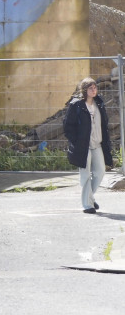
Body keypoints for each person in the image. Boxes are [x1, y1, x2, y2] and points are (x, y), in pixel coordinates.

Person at [63, 77, 113, 214]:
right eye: (91, 88)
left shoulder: (99, 103)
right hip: (83, 146)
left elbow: (104, 124)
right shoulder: (76, 105)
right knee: (85, 175)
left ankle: (89, 197)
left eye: (95, 87)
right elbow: (67, 127)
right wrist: (77, 142)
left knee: (100, 171)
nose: (94, 90)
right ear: (85, 90)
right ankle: (87, 205)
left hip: (97, 144)